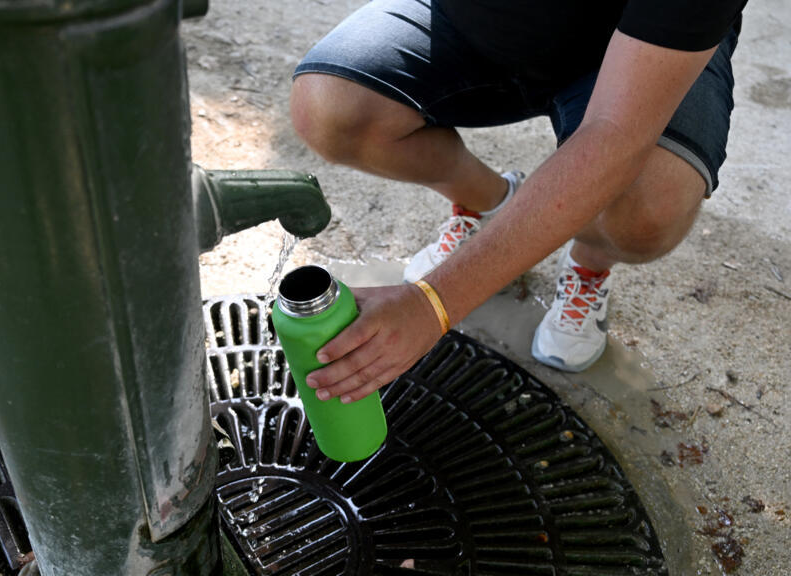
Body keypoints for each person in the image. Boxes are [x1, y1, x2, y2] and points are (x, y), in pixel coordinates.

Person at [288, 0, 747, 403]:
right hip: (481, 23)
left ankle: (589, 261)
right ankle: (490, 203)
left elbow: (617, 134)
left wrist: (432, 303)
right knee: (329, 107)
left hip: (639, 50)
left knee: (646, 211)